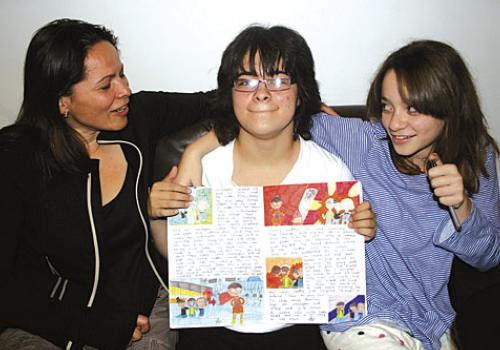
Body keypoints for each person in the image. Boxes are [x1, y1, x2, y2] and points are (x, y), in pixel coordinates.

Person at [174, 39, 499, 350]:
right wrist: (194, 152)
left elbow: (489, 257)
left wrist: (462, 207)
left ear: (449, 109)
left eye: (413, 109)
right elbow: (263, 120)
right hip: (363, 316)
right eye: (387, 106)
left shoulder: (475, 155)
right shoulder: (361, 140)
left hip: (432, 320)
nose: (395, 123)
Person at [148, 25, 376, 350]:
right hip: (211, 329)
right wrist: (158, 215)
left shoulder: (327, 170)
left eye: (280, 80)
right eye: (246, 81)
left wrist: (357, 233)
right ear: (230, 93)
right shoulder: (204, 168)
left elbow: (335, 275)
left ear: (301, 94)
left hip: (295, 330)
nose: (262, 93)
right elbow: (180, 256)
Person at [0, 18, 214, 350]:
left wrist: (302, 102)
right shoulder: (16, 157)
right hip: (51, 321)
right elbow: (9, 283)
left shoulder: (139, 116)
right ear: (62, 102)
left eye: (122, 74)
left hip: (145, 307)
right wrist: (90, 325)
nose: (124, 90)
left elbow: (219, 101)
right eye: (105, 85)